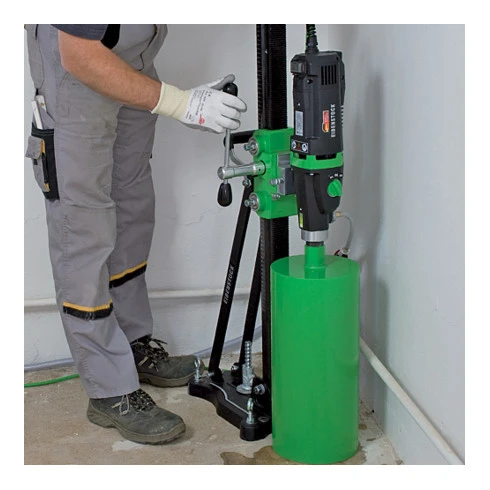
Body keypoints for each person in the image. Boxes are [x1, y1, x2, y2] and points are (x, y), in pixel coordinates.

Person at [25, 24, 247, 445]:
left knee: (132, 210)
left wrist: (191, 103)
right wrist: (180, 103)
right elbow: (78, 54)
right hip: (79, 68)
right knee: (83, 226)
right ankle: (108, 388)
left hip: (131, 58)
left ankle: (131, 345)